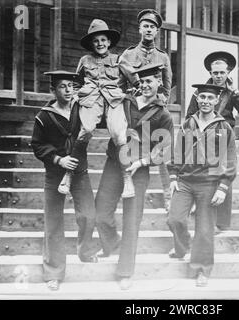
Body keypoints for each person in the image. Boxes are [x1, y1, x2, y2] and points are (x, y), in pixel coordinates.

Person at [95, 63, 174, 290]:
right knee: (101, 211)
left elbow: (165, 148)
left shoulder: (163, 114)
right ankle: (112, 244)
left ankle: (125, 270)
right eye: (143, 80)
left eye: (151, 81)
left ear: (160, 83)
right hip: (114, 163)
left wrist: (142, 161)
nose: (146, 85)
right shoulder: (125, 102)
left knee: (132, 219)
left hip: (139, 170)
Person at [31, 70, 99, 291]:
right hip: (55, 173)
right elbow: (37, 145)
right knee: (53, 223)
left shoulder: (82, 109)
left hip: (79, 171)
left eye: (71, 85)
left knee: (88, 215)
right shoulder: (44, 116)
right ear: (53, 90)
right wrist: (58, 159)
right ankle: (53, 272)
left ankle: (85, 251)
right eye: (62, 86)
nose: (68, 90)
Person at [167, 84, 237, 287]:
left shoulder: (224, 127)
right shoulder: (189, 123)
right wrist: (173, 177)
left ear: (217, 101)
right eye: (202, 97)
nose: (205, 101)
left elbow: (230, 159)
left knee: (205, 230)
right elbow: (177, 151)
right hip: (185, 181)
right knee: (175, 219)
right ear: (197, 99)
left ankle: (202, 269)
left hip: (209, 183)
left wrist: (223, 186)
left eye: (210, 98)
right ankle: (182, 248)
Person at [57, 19, 135, 199]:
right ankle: (68, 176)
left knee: (118, 134)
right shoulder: (85, 60)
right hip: (92, 99)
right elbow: (76, 81)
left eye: (103, 40)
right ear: (91, 44)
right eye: (96, 41)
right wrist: (76, 94)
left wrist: (131, 91)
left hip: (113, 99)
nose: (100, 44)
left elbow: (133, 78)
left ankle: (127, 179)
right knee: (85, 130)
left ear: (109, 42)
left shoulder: (118, 59)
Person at [186, 51, 239, 232]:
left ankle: (221, 222)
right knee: (201, 173)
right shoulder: (200, 91)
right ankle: (200, 210)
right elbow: (189, 115)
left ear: (228, 72)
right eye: (215, 73)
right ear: (210, 73)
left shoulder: (232, 92)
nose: (219, 76)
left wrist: (236, 93)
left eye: (222, 72)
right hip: (203, 135)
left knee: (223, 175)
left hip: (223, 137)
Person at [118, 9, 172, 211]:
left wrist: (159, 103)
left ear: (157, 31)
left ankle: (168, 197)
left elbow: (166, 86)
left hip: (154, 110)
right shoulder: (128, 55)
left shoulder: (162, 57)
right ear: (140, 29)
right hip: (134, 110)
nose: (149, 30)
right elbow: (120, 84)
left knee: (163, 147)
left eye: (153, 27)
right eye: (146, 26)